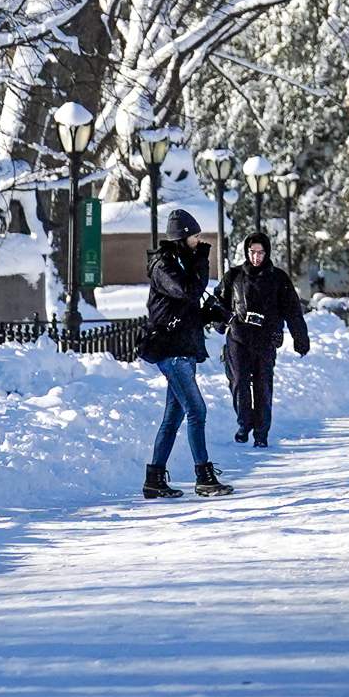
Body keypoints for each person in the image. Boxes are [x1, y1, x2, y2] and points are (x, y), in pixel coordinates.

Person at [137, 211, 233, 500]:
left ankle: (154, 479)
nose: (199, 241)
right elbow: (188, 291)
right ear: (182, 236)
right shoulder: (163, 265)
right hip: (171, 351)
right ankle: (204, 476)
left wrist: (210, 314)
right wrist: (202, 260)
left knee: (173, 417)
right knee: (197, 410)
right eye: (195, 236)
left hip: (184, 349)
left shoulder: (182, 263)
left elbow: (186, 310)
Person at [217, 230, 311, 447]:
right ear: (247, 252)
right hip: (238, 337)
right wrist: (221, 322)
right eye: (252, 252)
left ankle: (261, 433)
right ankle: (244, 423)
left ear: (267, 253)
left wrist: (300, 338)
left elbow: (293, 311)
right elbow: (219, 303)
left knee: (262, 386)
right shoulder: (233, 277)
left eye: (260, 252)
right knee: (239, 382)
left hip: (266, 339)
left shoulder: (278, 278)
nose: (256, 256)